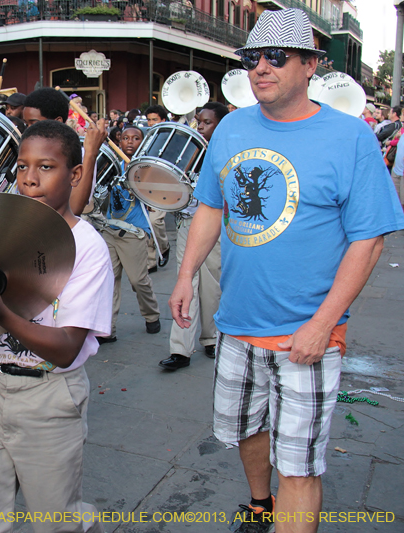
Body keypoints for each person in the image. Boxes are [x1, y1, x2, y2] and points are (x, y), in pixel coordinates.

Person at [169, 9, 404, 533]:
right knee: (245, 430)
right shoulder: (231, 127)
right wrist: (185, 275)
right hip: (236, 322)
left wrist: (324, 324)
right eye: (253, 58)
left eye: (276, 57)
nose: (261, 69)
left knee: (299, 463)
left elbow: (368, 240)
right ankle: (259, 504)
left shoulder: (350, 138)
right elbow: (211, 205)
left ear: (311, 66)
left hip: (307, 330)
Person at [0, 119, 112, 533]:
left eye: (46, 167)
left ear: (75, 174)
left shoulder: (88, 248)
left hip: (48, 399)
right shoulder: (0, 229)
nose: (29, 179)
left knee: (54, 521)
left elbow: (65, 347)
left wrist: (1, 313)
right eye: (22, 166)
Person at [160, 102, 228, 371]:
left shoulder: (226, 152)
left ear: (221, 124)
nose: (201, 127)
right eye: (199, 121)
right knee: (186, 279)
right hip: (189, 222)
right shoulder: (189, 150)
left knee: (212, 282)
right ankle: (180, 349)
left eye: (207, 122)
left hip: (215, 224)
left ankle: (211, 337)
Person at [98, 123, 161, 342]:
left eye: (135, 138)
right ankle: (107, 328)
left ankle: (151, 315)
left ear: (142, 142)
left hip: (134, 233)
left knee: (138, 280)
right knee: (109, 279)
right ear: (119, 141)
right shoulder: (112, 164)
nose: (130, 142)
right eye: (125, 138)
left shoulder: (146, 168)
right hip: (110, 230)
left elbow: (156, 197)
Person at [22, 87, 107, 216]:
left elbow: (74, 209)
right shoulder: (26, 151)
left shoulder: (79, 153)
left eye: (34, 123)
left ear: (57, 122)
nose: (28, 130)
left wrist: (91, 153)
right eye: (26, 124)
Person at [142, 104, 172, 271]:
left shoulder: (172, 137)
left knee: (155, 221)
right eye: (149, 120)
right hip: (146, 184)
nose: (151, 123)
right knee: (146, 222)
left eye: (155, 120)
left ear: (163, 120)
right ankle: (151, 261)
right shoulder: (145, 137)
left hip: (164, 185)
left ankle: (164, 245)